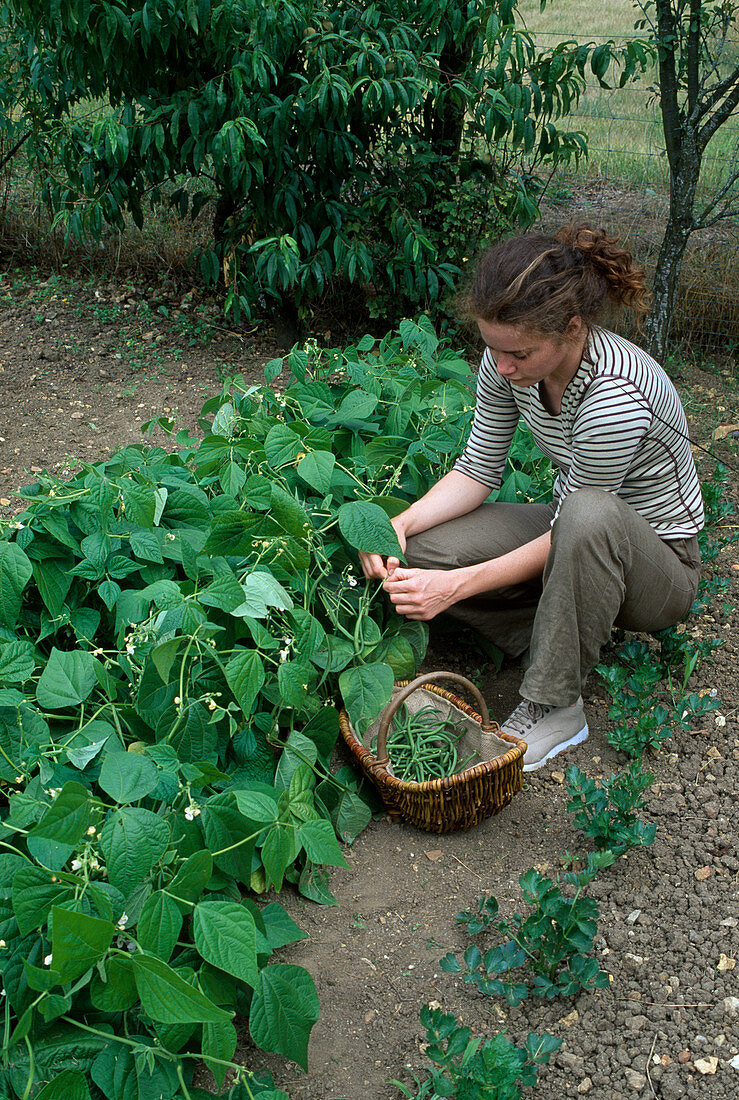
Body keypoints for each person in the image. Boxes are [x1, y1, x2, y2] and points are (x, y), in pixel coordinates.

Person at [358, 225, 704, 770]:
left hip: (658, 566)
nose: (501, 366)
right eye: (491, 347)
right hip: (572, 530)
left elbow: (579, 521)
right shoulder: (508, 362)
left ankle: (556, 704)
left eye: (517, 352)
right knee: (423, 551)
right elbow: (477, 469)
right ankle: (555, 631)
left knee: (586, 516)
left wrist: (456, 589)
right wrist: (397, 525)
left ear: (572, 328)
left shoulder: (615, 394)